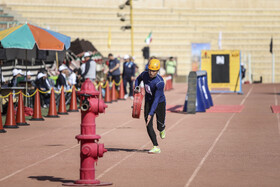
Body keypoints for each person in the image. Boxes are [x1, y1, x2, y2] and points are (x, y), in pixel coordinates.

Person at [134, 58, 166, 154]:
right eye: (150, 70)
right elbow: (138, 79)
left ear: (157, 71)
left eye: (154, 71)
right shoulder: (144, 74)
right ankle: (156, 146)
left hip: (159, 103)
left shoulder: (160, 83)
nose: (151, 73)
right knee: (148, 124)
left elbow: (156, 100)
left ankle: (162, 128)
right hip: (148, 102)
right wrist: (136, 87)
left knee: (159, 125)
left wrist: (151, 113)